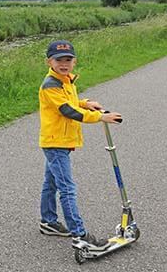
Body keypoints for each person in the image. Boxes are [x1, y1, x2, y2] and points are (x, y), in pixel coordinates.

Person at [38, 39, 122, 250]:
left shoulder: (65, 80)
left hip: (59, 141)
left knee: (51, 183)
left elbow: (72, 104)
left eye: (68, 59)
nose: (64, 63)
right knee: (67, 189)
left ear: (74, 61)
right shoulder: (50, 85)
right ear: (49, 61)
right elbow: (68, 111)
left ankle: (48, 221)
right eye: (59, 60)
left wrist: (86, 104)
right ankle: (80, 235)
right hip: (56, 143)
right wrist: (101, 118)